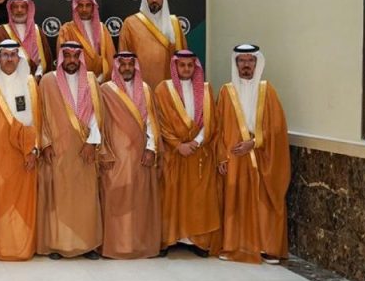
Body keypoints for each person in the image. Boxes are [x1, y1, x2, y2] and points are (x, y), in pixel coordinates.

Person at [215, 44, 290, 264]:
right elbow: (218, 128)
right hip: (234, 155)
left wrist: (255, 142)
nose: (246, 65)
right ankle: (233, 245)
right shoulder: (226, 91)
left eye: (250, 61)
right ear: (235, 63)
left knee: (263, 200)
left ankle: (267, 247)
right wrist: (221, 156)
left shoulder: (268, 91)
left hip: (262, 155)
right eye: (242, 61)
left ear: (257, 63)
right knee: (235, 200)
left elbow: (277, 128)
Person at [36, 42, 103, 260]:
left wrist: (92, 142)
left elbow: (97, 114)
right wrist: (45, 143)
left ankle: (88, 244)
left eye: (76, 56)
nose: (72, 60)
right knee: (59, 197)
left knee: (86, 196)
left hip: (85, 148)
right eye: (68, 56)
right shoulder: (47, 81)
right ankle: (58, 244)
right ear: (60, 57)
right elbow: (41, 114)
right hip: (58, 149)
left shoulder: (91, 80)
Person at [155, 50, 220, 257]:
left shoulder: (207, 90)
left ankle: (198, 241)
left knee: (199, 198)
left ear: (196, 67)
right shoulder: (163, 89)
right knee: (171, 196)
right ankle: (170, 238)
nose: (186, 69)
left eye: (190, 66)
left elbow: (211, 121)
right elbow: (161, 123)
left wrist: (197, 142)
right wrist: (178, 145)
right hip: (174, 154)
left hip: (199, 153)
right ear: (175, 66)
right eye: (182, 65)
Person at [0, 40, 41, 261]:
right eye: (4, 55)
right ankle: (2, 246)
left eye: (13, 55)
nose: (8, 59)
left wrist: (33, 150)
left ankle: (22, 247)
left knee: (24, 202)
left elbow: (38, 120)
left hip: (25, 154)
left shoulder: (31, 84)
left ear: (20, 58)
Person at [98, 52, 161, 259]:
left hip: (140, 155)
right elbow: (99, 123)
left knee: (139, 200)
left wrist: (151, 148)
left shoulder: (145, 89)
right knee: (115, 198)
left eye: (130, 64)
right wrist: (104, 152)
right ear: (116, 67)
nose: (126, 68)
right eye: (122, 64)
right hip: (115, 156)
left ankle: (138, 245)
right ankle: (115, 246)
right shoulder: (106, 90)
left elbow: (150, 121)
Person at [118, 0, 187, 87]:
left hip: (169, 82)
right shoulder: (130, 23)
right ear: (145, 0)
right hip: (141, 82)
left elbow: (184, 56)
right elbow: (123, 55)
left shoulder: (174, 23)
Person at [0, 0, 53, 77]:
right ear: (10, 10)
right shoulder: (1, 31)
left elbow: (47, 59)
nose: (19, 10)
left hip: (37, 82)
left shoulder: (37, 30)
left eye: (23, 7)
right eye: (15, 7)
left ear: (28, 9)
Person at [57, 0, 116, 81]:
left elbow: (110, 57)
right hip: (75, 80)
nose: (84, 9)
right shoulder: (66, 30)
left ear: (93, 7)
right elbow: (63, 59)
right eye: (80, 5)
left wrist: (100, 79)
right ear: (75, 7)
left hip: (101, 80)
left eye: (88, 5)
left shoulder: (102, 28)